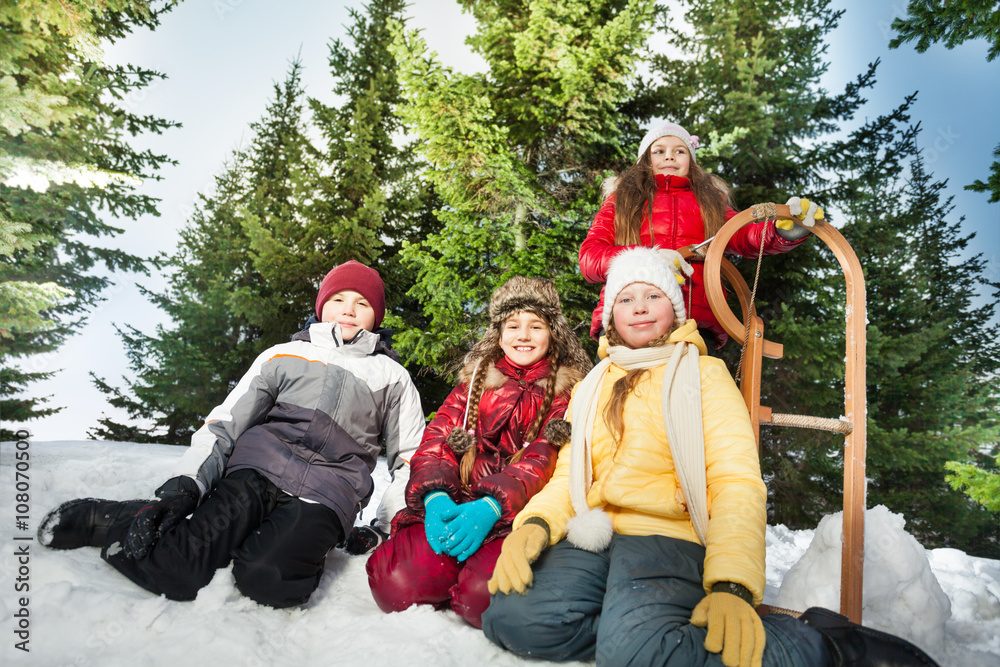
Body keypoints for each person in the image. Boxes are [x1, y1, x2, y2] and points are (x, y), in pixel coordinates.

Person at [482, 247, 938, 667]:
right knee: (512, 620)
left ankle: (821, 645)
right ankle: (639, 633)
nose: (639, 307)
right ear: (610, 316)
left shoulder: (703, 375)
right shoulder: (593, 383)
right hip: (595, 532)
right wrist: (537, 524)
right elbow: (569, 476)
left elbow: (735, 481)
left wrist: (732, 584)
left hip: (667, 536)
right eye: (626, 299)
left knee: (634, 653)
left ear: (675, 310)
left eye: (653, 295)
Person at [38, 260, 425, 609]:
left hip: (327, 493)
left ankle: (257, 545)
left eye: (362, 302)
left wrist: (386, 527)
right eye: (339, 297)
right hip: (256, 471)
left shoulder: (393, 378)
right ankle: (114, 519)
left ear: (376, 315)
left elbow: (410, 457)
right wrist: (185, 486)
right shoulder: (283, 355)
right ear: (322, 306)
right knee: (180, 569)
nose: (349, 309)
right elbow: (225, 422)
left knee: (272, 582)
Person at [365, 276, 592, 628]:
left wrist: (492, 505)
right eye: (513, 326)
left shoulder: (568, 393)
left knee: (480, 599)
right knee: (396, 584)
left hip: (512, 516)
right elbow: (438, 439)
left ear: (554, 332)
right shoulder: (474, 384)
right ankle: (444, 566)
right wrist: (436, 495)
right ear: (498, 334)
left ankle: (470, 575)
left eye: (536, 326)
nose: (524, 336)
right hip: (457, 502)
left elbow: (543, 460)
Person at [579, 121, 821, 347]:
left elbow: (743, 234)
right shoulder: (622, 201)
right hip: (630, 320)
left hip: (695, 321)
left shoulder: (710, 203)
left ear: (691, 161)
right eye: (659, 150)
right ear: (645, 160)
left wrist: (782, 232)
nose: (669, 156)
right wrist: (647, 258)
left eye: (680, 151)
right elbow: (590, 259)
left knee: (694, 389)